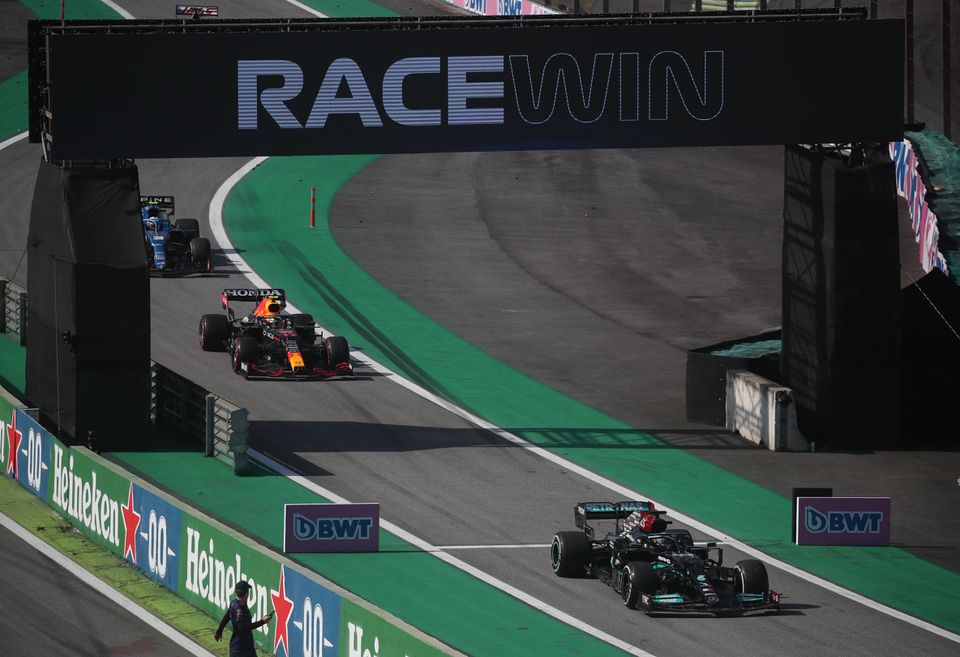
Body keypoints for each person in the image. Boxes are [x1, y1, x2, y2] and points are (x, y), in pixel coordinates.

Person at [214, 580, 274, 657]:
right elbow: (243, 627)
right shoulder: (239, 608)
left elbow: (226, 617)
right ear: (246, 593)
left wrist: (219, 631)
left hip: (247, 646)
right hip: (240, 648)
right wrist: (262, 621)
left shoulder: (234, 603)